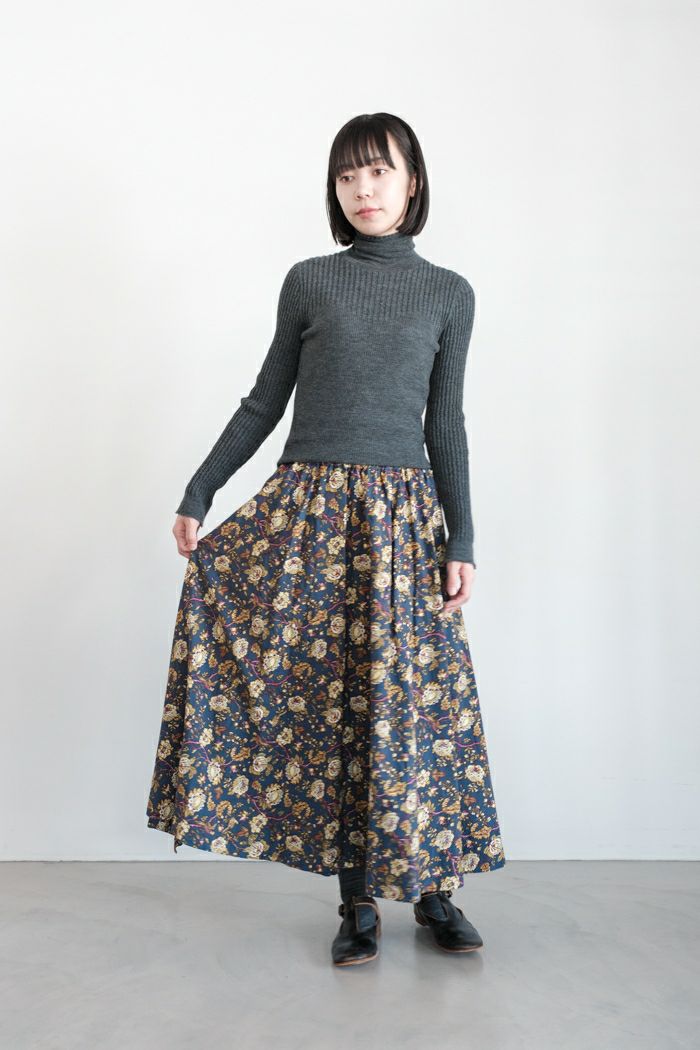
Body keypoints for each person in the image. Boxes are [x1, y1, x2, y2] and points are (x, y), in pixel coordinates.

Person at [146, 112, 506, 967]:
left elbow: (446, 422)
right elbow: (265, 401)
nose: (363, 189)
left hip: (402, 524)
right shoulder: (310, 281)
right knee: (335, 706)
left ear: (413, 181)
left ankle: (432, 889)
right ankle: (357, 902)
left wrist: (461, 538)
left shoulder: (450, 293)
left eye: (379, 172)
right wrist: (200, 489)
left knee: (414, 706)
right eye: (348, 176)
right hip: (309, 515)